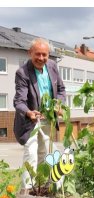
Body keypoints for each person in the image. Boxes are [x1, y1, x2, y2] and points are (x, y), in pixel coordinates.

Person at [13, 38, 66, 189]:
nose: (41, 58)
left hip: (47, 118)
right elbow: (19, 101)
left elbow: (61, 90)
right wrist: (29, 112)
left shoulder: (52, 66)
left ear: (49, 55)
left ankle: (44, 187)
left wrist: (58, 104)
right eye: (37, 54)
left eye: (44, 54)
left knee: (45, 152)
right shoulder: (22, 73)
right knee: (31, 154)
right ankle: (28, 190)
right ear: (30, 53)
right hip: (30, 121)